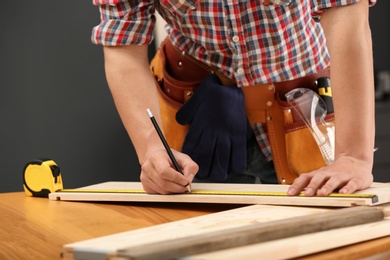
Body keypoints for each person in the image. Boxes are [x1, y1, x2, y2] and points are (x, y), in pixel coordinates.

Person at [91, 0, 377, 196]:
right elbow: (123, 46)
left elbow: (348, 21)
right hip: (199, 120)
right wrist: (152, 149)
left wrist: (353, 157)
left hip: (301, 115)